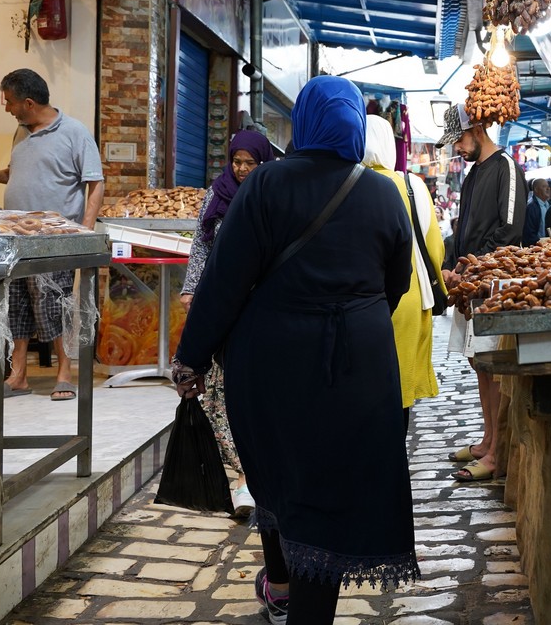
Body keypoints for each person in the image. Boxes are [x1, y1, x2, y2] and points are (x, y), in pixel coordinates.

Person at [172, 75, 417, 625]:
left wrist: (191, 356)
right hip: (358, 369)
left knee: (281, 476)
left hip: (274, 365)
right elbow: (395, 283)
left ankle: (287, 593)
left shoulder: (266, 186)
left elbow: (224, 283)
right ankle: (307, 607)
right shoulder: (383, 193)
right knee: (331, 484)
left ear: (304, 121)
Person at [0, 69, 104, 401]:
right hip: (16, 237)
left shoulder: (74, 132)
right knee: (18, 305)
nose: (6, 108)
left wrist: (84, 231)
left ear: (28, 102)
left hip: (54, 237)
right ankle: (19, 375)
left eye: (9, 102)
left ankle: (64, 372)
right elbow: (22, 172)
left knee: (52, 303)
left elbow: (95, 182)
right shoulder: (21, 132)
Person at [180, 129, 274, 518]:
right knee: (218, 392)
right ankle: (240, 479)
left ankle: (256, 475)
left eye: (248, 163)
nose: (240, 169)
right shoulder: (215, 195)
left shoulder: (270, 195)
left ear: (262, 163)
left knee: (253, 391)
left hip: (256, 308)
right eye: (236, 161)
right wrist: (191, 290)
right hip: (218, 304)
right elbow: (201, 245)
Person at [437, 104, 525, 482]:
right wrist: (457, 266)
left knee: (491, 366)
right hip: (469, 285)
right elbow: (464, 227)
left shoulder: (506, 166)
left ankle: (495, 451)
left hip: (492, 284)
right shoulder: (473, 173)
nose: (457, 147)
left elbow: (508, 229)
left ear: (476, 128)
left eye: (458, 139)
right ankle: (488, 439)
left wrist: (475, 268)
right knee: (478, 364)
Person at [363, 115, 444, 433]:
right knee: (400, 387)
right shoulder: (412, 185)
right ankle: (394, 458)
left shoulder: (347, 182)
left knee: (366, 384)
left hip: (363, 299)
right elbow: (433, 246)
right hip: (409, 297)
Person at [522, 178, 551, 246]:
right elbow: (528, 233)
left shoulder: (550, 205)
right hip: (536, 247)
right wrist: (540, 243)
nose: (548, 188)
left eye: (548, 186)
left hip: (549, 245)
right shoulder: (530, 207)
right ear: (536, 189)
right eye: (544, 186)